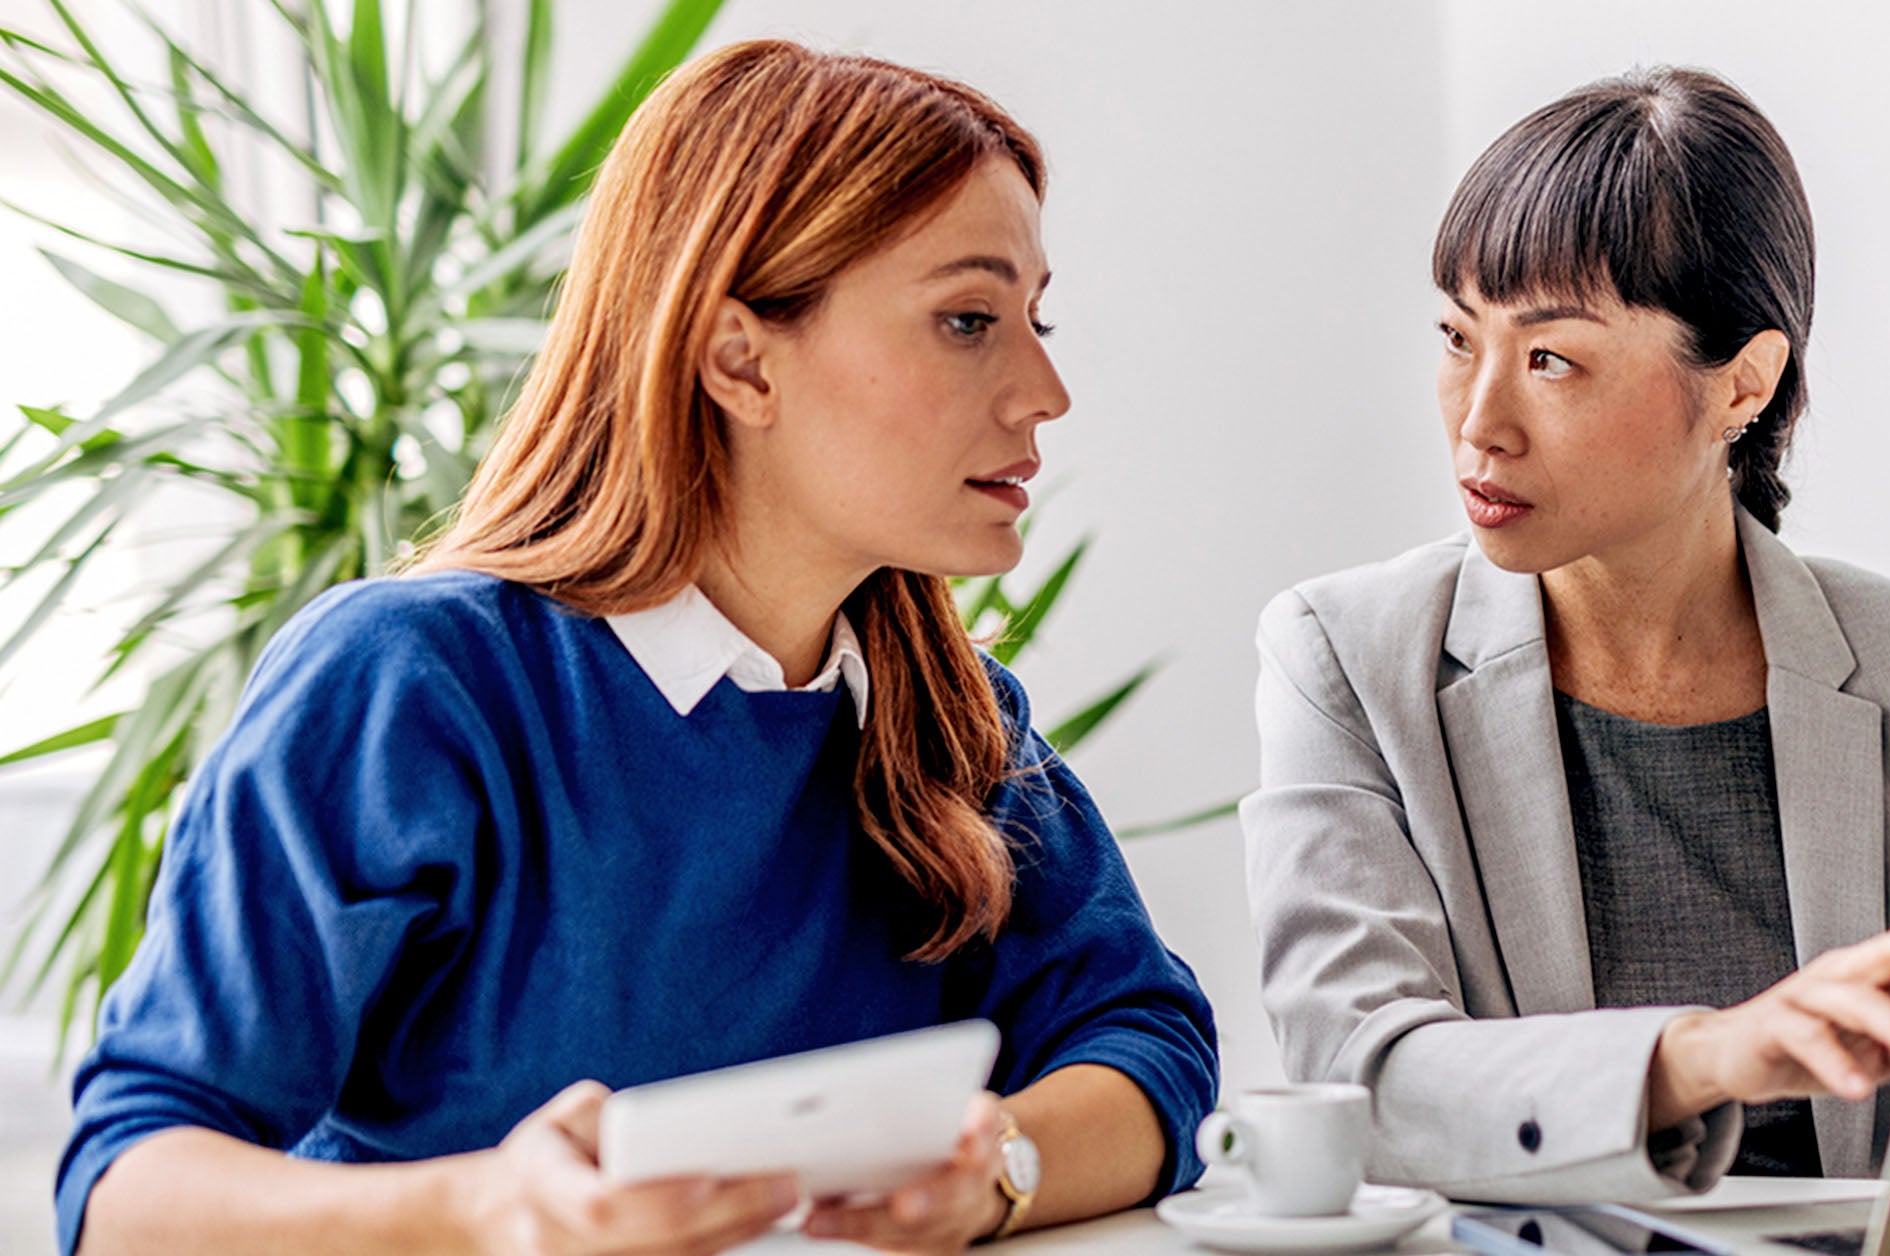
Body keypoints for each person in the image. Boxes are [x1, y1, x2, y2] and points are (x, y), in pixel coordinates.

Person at [57, 41, 1216, 1256]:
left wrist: (995, 1170)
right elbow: (124, 1192)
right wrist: (486, 1211)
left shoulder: (950, 717)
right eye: (968, 319)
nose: (1046, 389)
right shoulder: (409, 687)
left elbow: (1150, 1042)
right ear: (739, 359)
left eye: (1035, 318)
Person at [1242, 66, 1890, 1203]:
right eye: (1458, 338)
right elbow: (1358, 1071)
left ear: (1743, 386)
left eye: (1550, 358)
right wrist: (1696, 1059)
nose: (1478, 422)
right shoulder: (1347, 656)